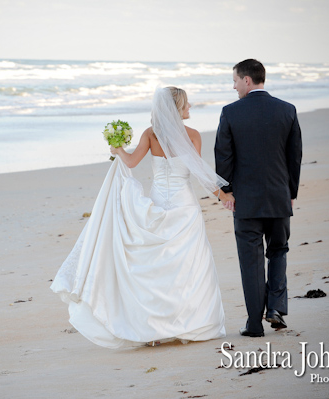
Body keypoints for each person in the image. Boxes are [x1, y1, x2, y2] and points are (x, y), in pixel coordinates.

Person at [50, 87, 233, 348]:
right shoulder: (192, 135)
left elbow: (131, 163)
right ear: (177, 108)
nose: (190, 107)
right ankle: (190, 325)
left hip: (158, 203)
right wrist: (222, 195)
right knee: (189, 267)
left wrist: (118, 148)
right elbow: (200, 172)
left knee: (157, 266)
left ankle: (154, 328)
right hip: (185, 207)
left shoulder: (151, 135)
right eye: (187, 104)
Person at [215, 59, 302, 337]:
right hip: (278, 197)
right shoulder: (287, 110)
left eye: (235, 81)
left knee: (251, 261)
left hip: (246, 202)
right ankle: (275, 308)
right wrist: (291, 193)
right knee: (278, 250)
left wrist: (226, 191)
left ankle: (254, 325)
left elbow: (223, 156)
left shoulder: (230, 112)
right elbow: (294, 157)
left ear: (247, 80)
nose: (234, 86)